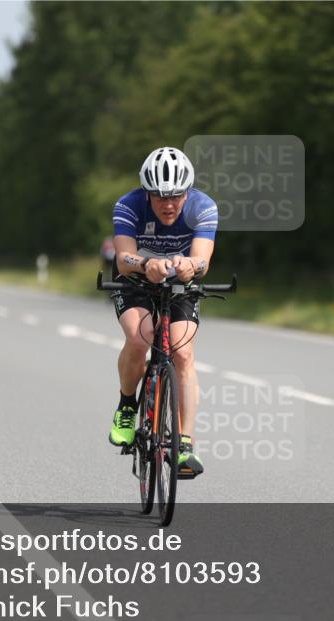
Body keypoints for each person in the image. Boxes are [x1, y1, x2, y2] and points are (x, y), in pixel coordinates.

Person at [108, 147, 217, 477]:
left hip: (181, 281)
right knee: (140, 339)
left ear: (188, 191)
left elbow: (203, 260)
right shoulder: (128, 205)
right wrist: (145, 263)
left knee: (182, 353)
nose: (168, 205)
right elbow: (123, 259)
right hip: (136, 278)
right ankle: (127, 406)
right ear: (146, 192)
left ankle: (184, 444)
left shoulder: (204, 207)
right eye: (159, 197)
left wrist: (190, 265)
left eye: (176, 196)